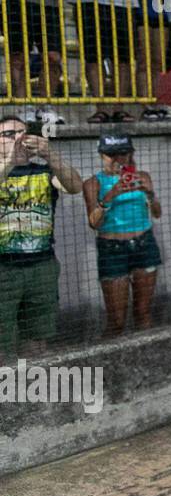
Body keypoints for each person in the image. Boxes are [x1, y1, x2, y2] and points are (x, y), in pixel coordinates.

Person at [0, 115, 82, 355]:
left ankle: (33, 387)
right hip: (3, 269)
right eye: (9, 134)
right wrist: (9, 163)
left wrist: (51, 155)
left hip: (41, 266)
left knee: (37, 338)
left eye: (23, 133)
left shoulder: (44, 171)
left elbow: (75, 186)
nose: (19, 138)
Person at [82, 133, 163, 336]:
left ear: (130, 154)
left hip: (144, 243)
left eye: (123, 154)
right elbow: (94, 223)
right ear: (101, 155)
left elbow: (157, 213)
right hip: (112, 248)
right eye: (112, 154)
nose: (118, 159)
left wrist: (150, 195)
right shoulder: (93, 183)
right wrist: (111, 195)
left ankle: (149, 361)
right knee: (116, 320)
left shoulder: (142, 176)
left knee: (143, 314)